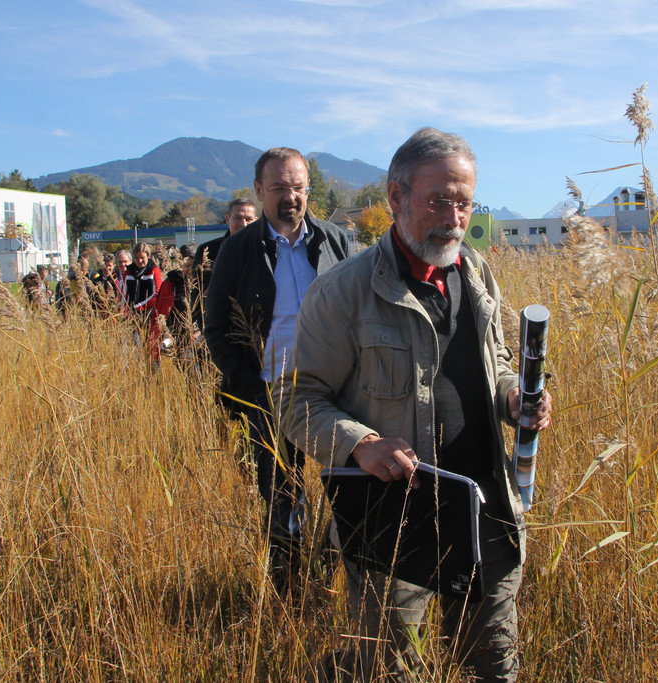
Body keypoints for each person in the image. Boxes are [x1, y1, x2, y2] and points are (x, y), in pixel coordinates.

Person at [282, 127, 552, 681]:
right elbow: (297, 400)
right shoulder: (342, 292)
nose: (454, 218)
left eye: (464, 202)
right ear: (396, 198)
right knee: (389, 668)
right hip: (395, 525)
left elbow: (497, 360)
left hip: (486, 508)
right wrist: (360, 444)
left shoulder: (476, 273)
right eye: (438, 201)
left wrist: (513, 396)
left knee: (491, 667)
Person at [203, 147, 352, 590]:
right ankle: (289, 590)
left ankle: (326, 575)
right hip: (270, 396)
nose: (291, 197)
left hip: (335, 394)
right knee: (283, 499)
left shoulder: (335, 242)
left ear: (309, 188)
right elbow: (216, 328)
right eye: (279, 188)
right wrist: (250, 390)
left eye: (298, 187)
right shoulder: (237, 250)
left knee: (350, 492)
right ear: (258, 190)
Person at [192, 198, 257, 329]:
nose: (243, 224)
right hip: (221, 325)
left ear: (256, 221)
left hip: (258, 325)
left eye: (248, 219)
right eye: (238, 218)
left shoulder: (266, 250)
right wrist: (204, 327)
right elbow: (197, 293)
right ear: (227, 219)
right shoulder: (208, 251)